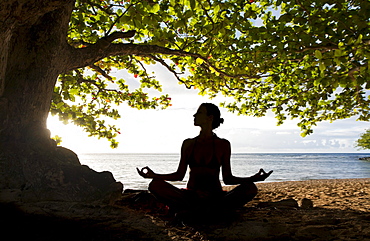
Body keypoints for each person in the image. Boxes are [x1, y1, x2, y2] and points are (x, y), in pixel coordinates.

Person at [137, 103, 272, 217]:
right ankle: (209, 211)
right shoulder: (188, 143)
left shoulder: (223, 144)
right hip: (190, 196)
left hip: (215, 196)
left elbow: (228, 178)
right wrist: (153, 175)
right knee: (155, 185)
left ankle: (199, 211)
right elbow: (179, 175)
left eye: (199, 113)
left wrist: (253, 178)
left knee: (250, 188)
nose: (194, 116)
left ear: (210, 117)